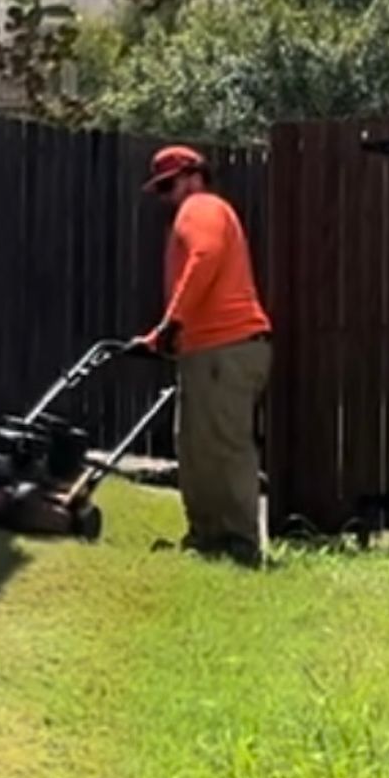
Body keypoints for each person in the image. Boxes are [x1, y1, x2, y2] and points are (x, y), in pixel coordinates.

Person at [134, 143, 272, 567]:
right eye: (160, 189)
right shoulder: (203, 210)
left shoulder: (202, 208)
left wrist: (171, 324)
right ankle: (207, 536)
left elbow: (205, 257)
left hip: (224, 346)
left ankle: (240, 543)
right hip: (211, 350)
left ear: (194, 176)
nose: (165, 197)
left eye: (168, 186)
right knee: (195, 447)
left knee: (225, 447)